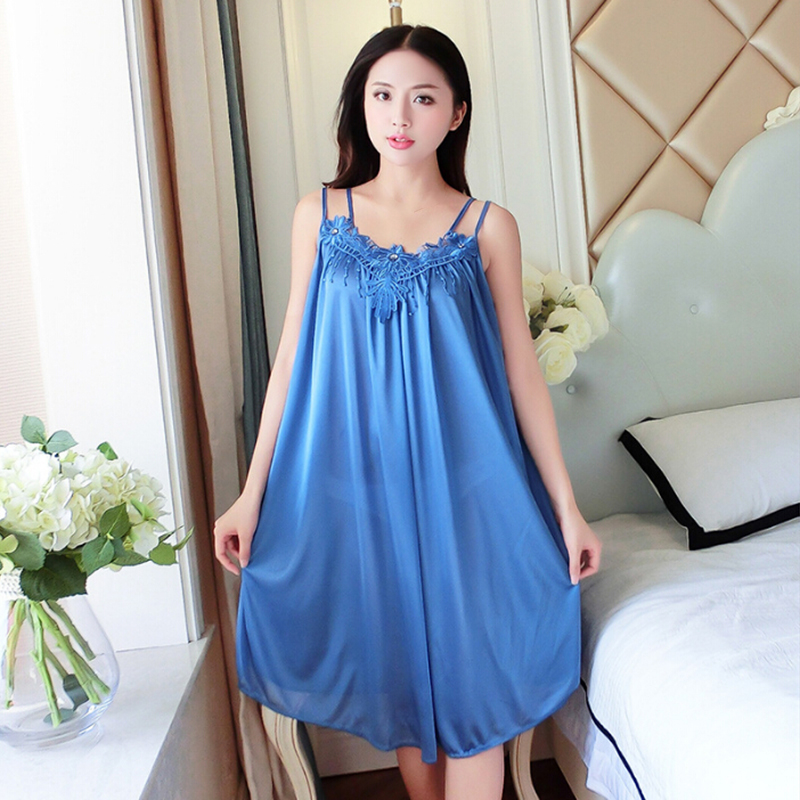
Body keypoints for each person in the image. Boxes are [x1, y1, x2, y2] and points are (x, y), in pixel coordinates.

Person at [214, 23, 601, 800]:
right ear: (360, 106)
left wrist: (567, 508)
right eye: (382, 95)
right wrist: (252, 494)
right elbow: (291, 357)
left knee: (475, 696)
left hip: (470, 490)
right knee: (401, 690)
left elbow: (520, 374)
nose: (399, 115)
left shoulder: (487, 227)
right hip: (359, 492)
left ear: (456, 113)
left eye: (423, 98)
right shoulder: (320, 215)